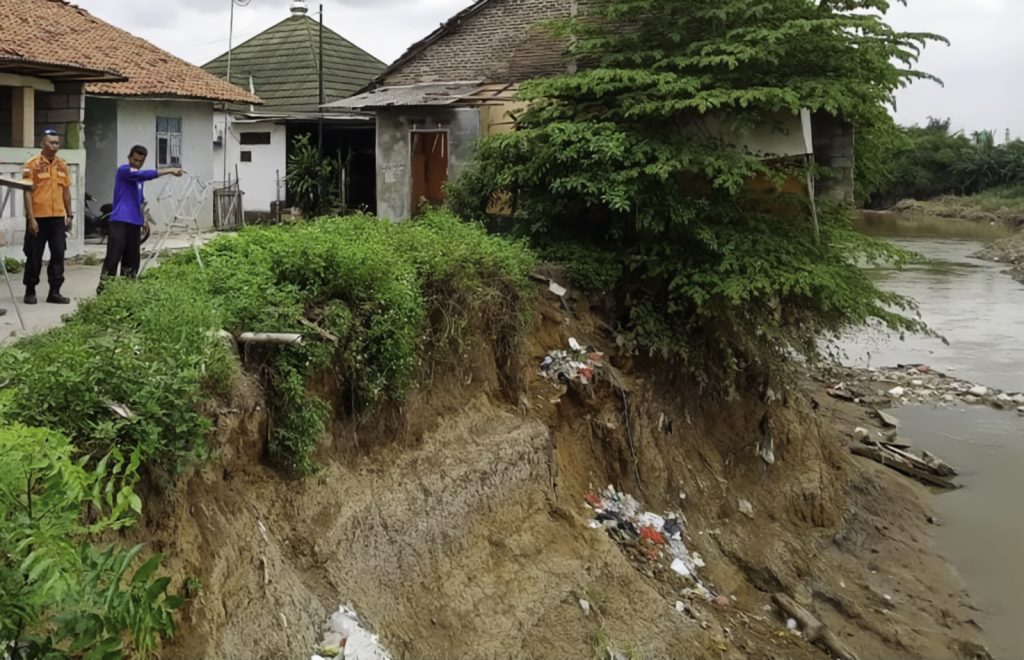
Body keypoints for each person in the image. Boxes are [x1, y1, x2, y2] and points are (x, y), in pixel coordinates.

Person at [100, 145, 183, 288]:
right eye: (134, 160)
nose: (137, 163)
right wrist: (169, 170)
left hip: (134, 223)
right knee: (113, 257)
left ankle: (127, 290)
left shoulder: (139, 182)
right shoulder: (124, 171)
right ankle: (104, 290)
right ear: (129, 157)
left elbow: (140, 200)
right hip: (120, 221)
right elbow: (144, 175)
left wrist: (144, 217)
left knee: (132, 259)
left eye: (140, 161)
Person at [22, 128, 72, 305]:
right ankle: (30, 291)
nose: (55, 146)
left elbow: (66, 191)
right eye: (52, 142)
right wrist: (31, 218)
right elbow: (27, 192)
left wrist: (70, 215)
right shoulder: (32, 164)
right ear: (43, 143)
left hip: (58, 217)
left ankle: (55, 291)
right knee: (34, 255)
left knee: (58, 254)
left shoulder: (62, 165)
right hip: (39, 218)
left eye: (57, 143)